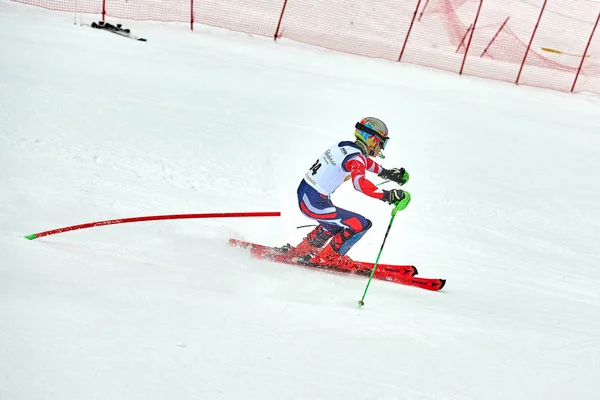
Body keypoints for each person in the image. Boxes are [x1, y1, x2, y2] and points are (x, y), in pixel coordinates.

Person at [288, 117, 411, 270]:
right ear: (372, 140)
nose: (381, 149)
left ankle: (303, 250)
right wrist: (388, 196)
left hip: (307, 197)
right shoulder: (356, 156)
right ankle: (330, 258)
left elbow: (364, 163)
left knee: (334, 225)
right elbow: (359, 183)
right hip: (314, 203)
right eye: (381, 143)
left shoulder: (344, 146)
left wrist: (387, 174)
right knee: (360, 224)